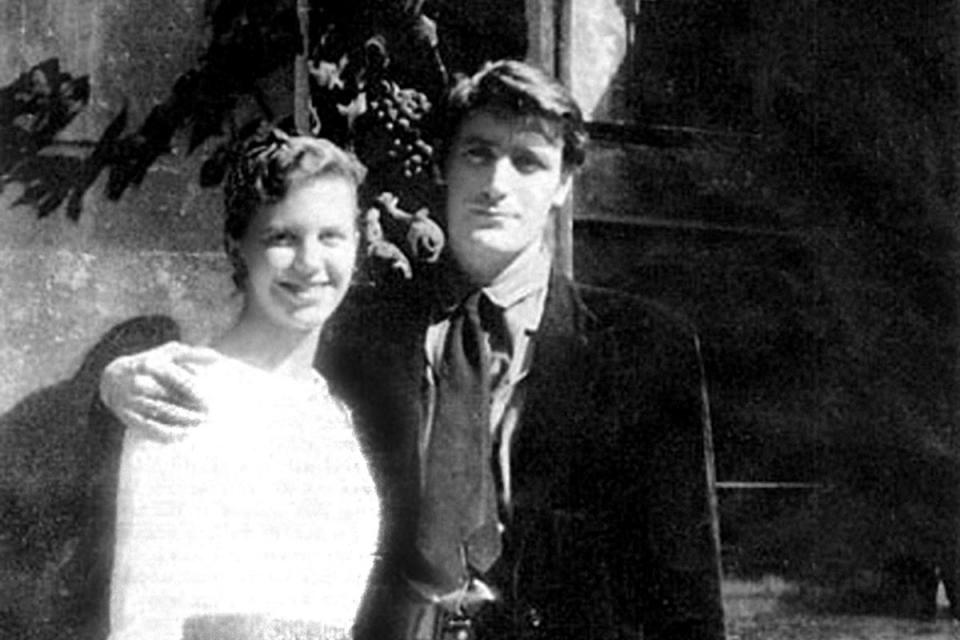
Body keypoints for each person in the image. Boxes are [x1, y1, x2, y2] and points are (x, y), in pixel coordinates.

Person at [100, 60, 726, 640]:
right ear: (444, 166)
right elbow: (256, 372)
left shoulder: (645, 348)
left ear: (563, 183)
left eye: (528, 162)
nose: (496, 184)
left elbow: (685, 589)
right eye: (478, 154)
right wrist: (121, 376)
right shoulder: (359, 331)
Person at [104, 129, 380, 640]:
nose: (310, 263)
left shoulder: (333, 412)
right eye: (282, 238)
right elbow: (143, 615)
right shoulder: (185, 391)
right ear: (238, 248)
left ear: (357, 245)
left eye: (331, 236)